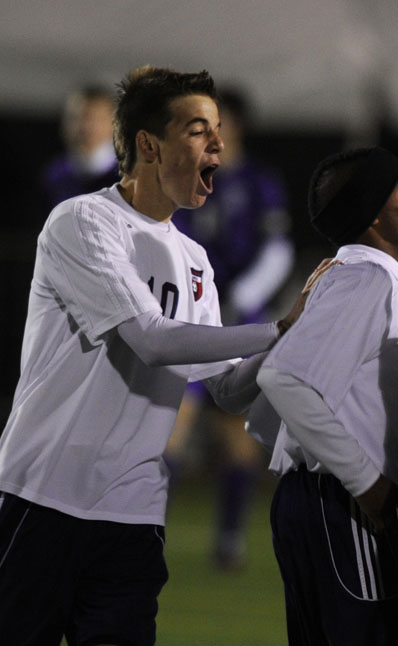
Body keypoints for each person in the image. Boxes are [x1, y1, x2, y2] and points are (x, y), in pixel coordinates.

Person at [0, 65, 311, 646]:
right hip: (43, 499)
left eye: (218, 129)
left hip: (133, 516)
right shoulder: (84, 221)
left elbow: (225, 387)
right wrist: (281, 329)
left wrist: (311, 348)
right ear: (148, 144)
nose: (218, 143)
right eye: (198, 129)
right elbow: (151, 337)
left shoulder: (195, 260)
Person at [257, 147, 398, 645]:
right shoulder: (366, 278)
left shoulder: (360, 276)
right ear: (373, 214)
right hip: (339, 501)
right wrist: (367, 483)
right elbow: (285, 380)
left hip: (318, 499)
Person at [166, 86, 295, 569]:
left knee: (237, 438)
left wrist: (242, 294)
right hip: (189, 321)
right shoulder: (183, 176)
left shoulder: (259, 181)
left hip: (240, 323)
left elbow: (277, 248)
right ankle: (145, 532)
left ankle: (229, 539)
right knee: (170, 430)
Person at [40, 85, 119, 209]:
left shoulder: (130, 177)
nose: (86, 128)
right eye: (76, 118)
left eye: (96, 119)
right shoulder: (55, 175)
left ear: (114, 124)